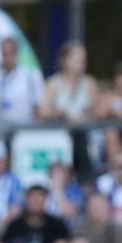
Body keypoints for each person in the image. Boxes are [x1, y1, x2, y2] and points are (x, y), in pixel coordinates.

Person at [39, 41, 97, 179]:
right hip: (59, 138)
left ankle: (85, 180)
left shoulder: (89, 83)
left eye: (83, 60)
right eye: (78, 60)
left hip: (84, 138)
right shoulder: (52, 84)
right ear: (64, 61)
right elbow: (42, 112)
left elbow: (97, 112)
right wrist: (61, 113)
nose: (82, 64)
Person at [0, 36, 44, 142]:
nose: (8, 57)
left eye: (11, 53)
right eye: (5, 53)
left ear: (16, 54)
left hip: (24, 134)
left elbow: (37, 109)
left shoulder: (31, 76)